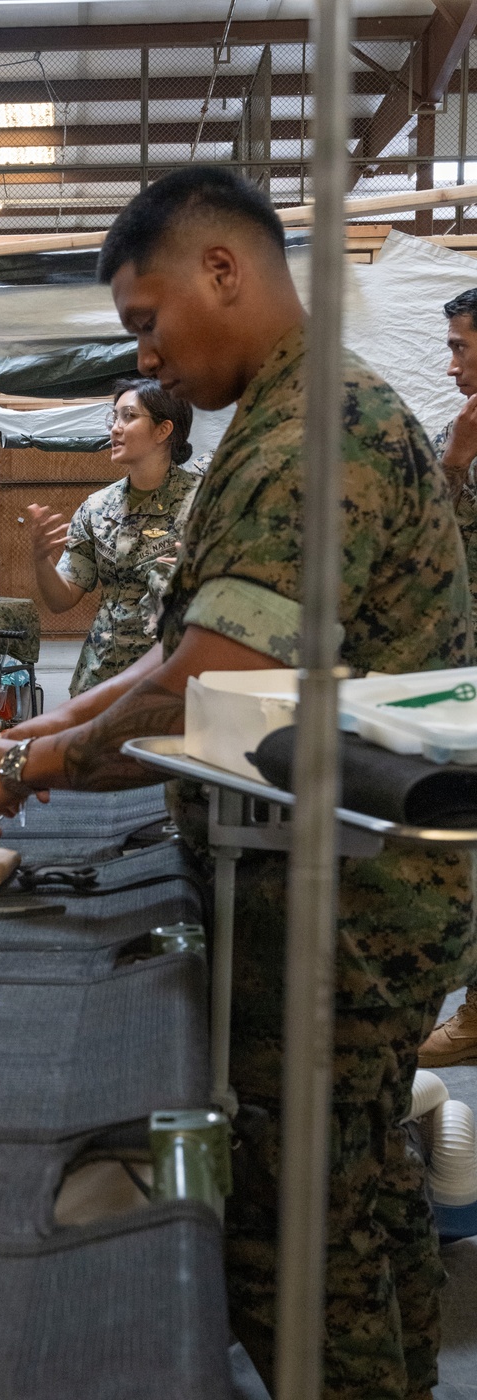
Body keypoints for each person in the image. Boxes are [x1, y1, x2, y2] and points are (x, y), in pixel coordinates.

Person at [0, 167, 475, 1400]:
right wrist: (43, 741)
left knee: (299, 1230)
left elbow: (208, 678)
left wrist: (27, 767)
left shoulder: (313, 433)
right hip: (342, 888)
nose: (150, 358)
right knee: (357, 1187)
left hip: (349, 907)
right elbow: (174, 644)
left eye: (148, 322)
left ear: (223, 272)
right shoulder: (287, 420)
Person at [27, 377, 201, 695]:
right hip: (101, 675)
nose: (115, 428)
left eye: (129, 416)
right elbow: (61, 599)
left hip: (171, 676)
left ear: (164, 430)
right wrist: (41, 560)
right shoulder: (97, 507)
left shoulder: (202, 503)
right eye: (115, 417)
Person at [418, 288, 477, 1067]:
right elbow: (428, 551)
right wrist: (457, 466)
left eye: (462, 345)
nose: (452, 361)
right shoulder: (449, 437)